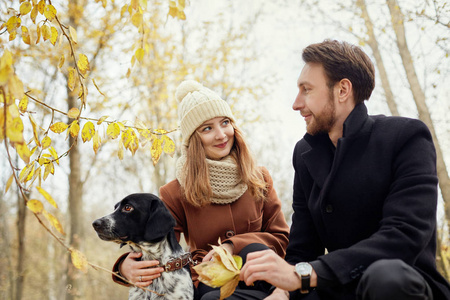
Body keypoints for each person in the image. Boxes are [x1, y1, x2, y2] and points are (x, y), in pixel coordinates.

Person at [239, 39, 450, 300]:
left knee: (386, 277)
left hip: (401, 285)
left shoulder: (406, 137)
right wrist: (282, 290)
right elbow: (302, 249)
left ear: (342, 90)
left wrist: (304, 275)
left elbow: (403, 237)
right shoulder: (304, 155)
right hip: (333, 289)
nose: (296, 104)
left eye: (306, 90)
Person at [112, 80, 290, 300]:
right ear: (194, 139)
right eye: (207, 128)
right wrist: (124, 267)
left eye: (225, 122)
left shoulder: (259, 177)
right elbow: (160, 245)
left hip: (264, 276)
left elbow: (281, 238)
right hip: (209, 285)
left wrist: (231, 246)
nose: (221, 134)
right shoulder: (175, 192)